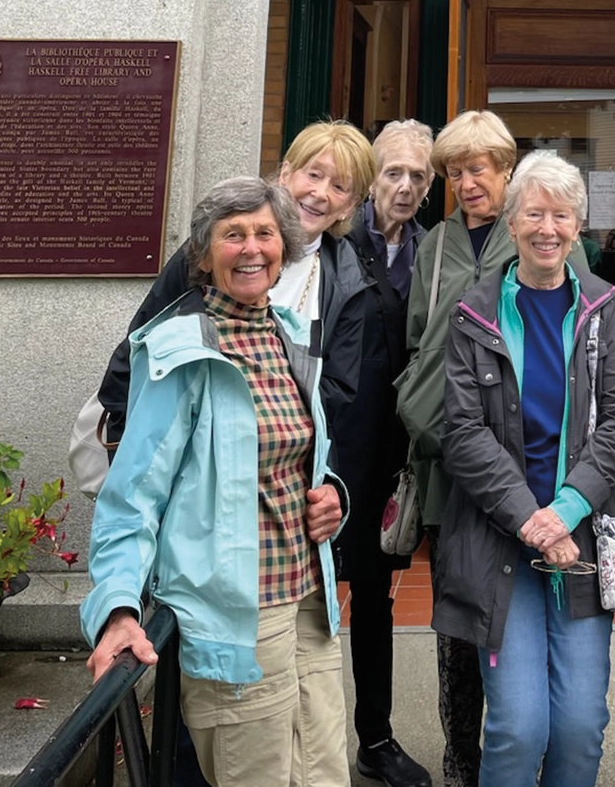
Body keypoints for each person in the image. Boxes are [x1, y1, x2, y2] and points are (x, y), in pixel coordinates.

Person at [92, 119, 375, 787]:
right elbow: (131, 498)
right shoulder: (178, 351)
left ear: (286, 247)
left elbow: (309, 452)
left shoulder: (290, 338)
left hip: (310, 603)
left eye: (265, 235)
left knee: (326, 773)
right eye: (234, 235)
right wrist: (117, 610)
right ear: (203, 253)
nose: (252, 249)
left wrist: (335, 493)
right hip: (235, 615)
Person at [433, 149, 615, 787]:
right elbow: (462, 432)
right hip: (504, 544)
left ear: (578, 226)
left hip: (580, 541)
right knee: (519, 729)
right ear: (512, 224)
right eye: (533, 214)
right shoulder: (475, 314)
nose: (547, 228)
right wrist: (531, 520)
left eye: (561, 215)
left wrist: (567, 513)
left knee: (580, 730)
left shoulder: (601, 308)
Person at [395, 110, 588, 786]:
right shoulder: (436, 244)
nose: (466, 181)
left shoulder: (540, 228)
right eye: (454, 170)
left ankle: (531, 753)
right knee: (462, 617)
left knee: (530, 614)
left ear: (507, 170)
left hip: (530, 463)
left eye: (479, 167)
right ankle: (462, 760)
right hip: (451, 457)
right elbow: (417, 336)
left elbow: (580, 342)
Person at [98, 119, 376, 440]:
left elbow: (335, 393)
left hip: (279, 459)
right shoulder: (213, 250)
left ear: (350, 207)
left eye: (339, 186)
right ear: (286, 174)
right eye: (313, 174)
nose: (320, 193)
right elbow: (138, 351)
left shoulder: (351, 283)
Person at [333, 119, 435, 787]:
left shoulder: (430, 251)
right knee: (307, 593)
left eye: (418, 176)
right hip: (327, 449)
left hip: (392, 460)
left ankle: (376, 736)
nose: (404, 185)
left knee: (374, 596)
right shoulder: (336, 242)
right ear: (374, 175)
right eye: (393, 171)